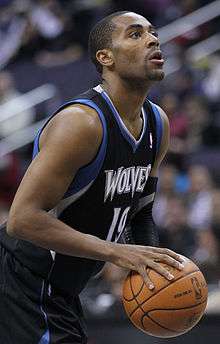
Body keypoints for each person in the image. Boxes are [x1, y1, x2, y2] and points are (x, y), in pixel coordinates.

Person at [0, 11, 184, 344]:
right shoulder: (82, 123)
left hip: (61, 289)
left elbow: (140, 212)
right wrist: (116, 252)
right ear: (105, 57)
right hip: (19, 281)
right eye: (135, 34)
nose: (153, 39)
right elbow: (22, 220)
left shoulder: (157, 124)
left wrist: (152, 271)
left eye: (153, 33)